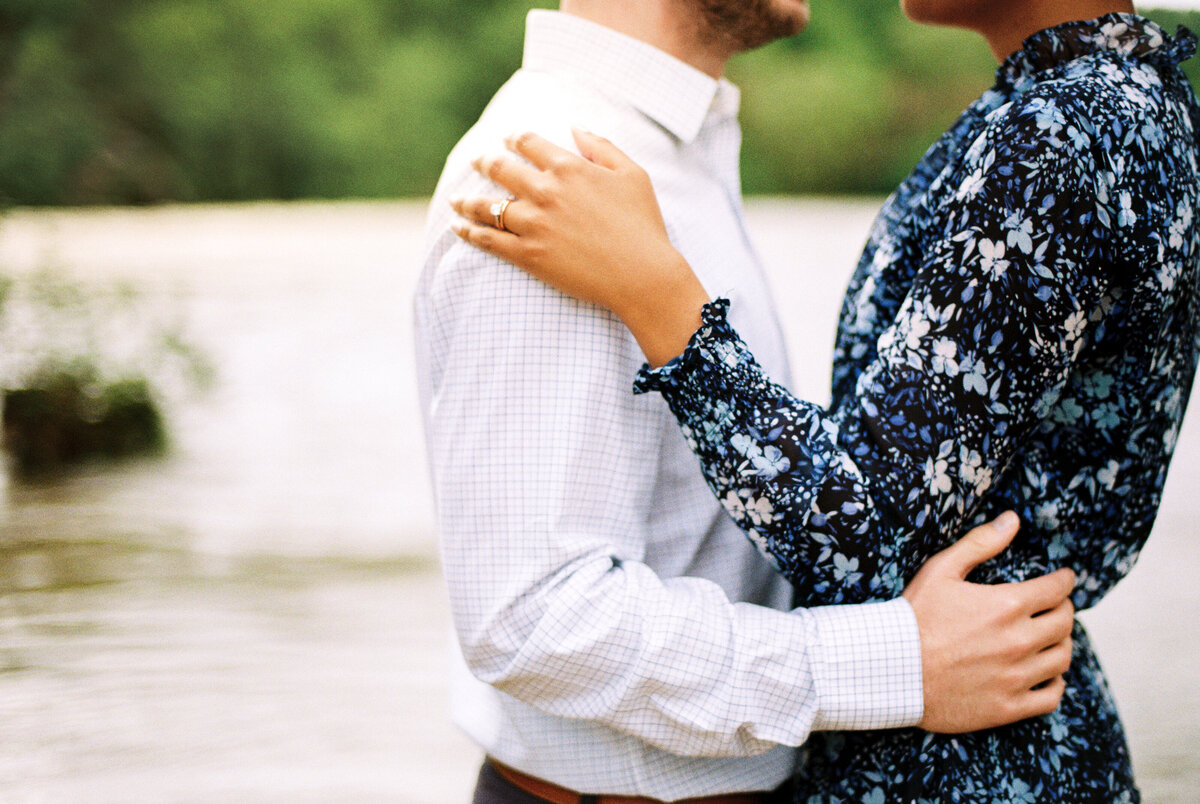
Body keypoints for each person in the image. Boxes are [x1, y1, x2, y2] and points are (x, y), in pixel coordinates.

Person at [451, 0, 1200, 800]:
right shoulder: (1110, 105)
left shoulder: (1065, 132)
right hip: (990, 728)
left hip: (968, 757)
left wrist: (661, 294)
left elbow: (869, 536)